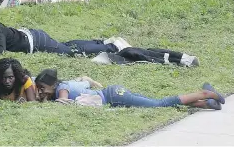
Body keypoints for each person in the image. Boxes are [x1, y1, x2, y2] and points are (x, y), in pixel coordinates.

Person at [35, 69, 225, 110]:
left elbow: (63, 102)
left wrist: (41, 101)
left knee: (159, 104)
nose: (41, 92)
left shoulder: (62, 87)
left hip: (114, 96)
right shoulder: (64, 84)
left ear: (52, 85)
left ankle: (204, 93)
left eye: (42, 88)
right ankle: (205, 102)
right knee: (157, 103)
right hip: (114, 93)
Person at [0, 19, 119, 56]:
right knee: (65, 45)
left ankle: (110, 47)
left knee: (70, 51)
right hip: (33, 36)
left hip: (36, 42)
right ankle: (98, 43)